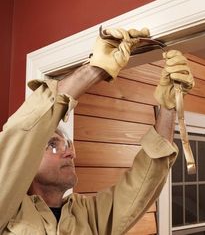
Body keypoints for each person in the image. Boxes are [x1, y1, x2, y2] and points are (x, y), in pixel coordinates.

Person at [0, 27, 194, 234]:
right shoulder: (9, 211)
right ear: (26, 158)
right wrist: (95, 69)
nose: (70, 153)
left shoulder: (88, 215)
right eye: (52, 145)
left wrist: (169, 107)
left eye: (67, 144)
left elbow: (142, 183)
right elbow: (20, 133)